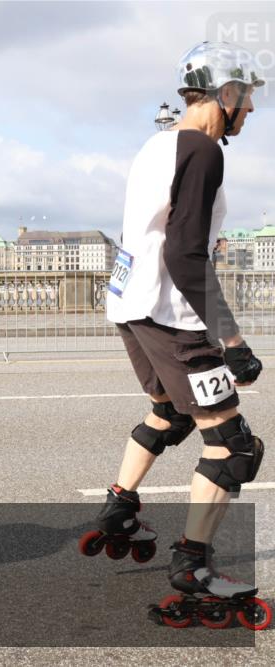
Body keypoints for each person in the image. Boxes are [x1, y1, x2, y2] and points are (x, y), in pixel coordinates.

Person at [88, 42, 266, 607]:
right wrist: (231, 340)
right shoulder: (203, 152)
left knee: (169, 411)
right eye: (249, 98)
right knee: (233, 445)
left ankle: (120, 504)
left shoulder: (155, 144)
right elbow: (187, 254)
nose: (253, 112)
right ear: (226, 94)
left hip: (128, 304)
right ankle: (192, 566)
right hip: (172, 316)